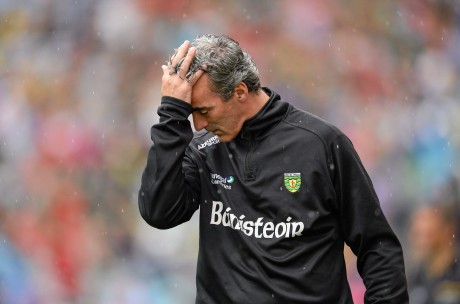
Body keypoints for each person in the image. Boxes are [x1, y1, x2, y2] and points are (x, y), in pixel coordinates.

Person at [138, 34, 409, 303]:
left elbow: (377, 247)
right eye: (190, 112)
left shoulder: (321, 144)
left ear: (240, 92)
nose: (197, 124)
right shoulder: (204, 150)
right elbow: (159, 213)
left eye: (205, 111)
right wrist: (171, 115)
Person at [408, 204, 460, 303]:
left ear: (447, 230)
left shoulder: (456, 274)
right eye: (416, 232)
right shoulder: (416, 276)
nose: (416, 230)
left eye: (425, 232)